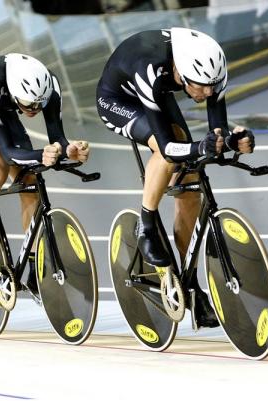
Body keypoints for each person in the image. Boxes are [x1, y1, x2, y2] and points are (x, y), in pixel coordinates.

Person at [96, 28, 255, 328]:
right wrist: (196, 147)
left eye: (213, 87)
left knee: (190, 183)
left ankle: (190, 284)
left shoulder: (211, 70)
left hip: (158, 92)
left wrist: (234, 141)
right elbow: (169, 147)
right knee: (168, 149)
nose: (208, 93)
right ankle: (146, 226)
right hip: (118, 100)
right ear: (181, 72)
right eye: (201, 87)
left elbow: (216, 131)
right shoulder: (149, 68)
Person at [0, 53, 90, 294]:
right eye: (29, 105)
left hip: (3, 109)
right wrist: (42, 154)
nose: (34, 110)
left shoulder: (48, 86)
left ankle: (33, 266)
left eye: (39, 105)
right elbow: (8, 153)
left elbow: (58, 139)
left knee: (30, 180)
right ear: (13, 90)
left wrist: (70, 150)